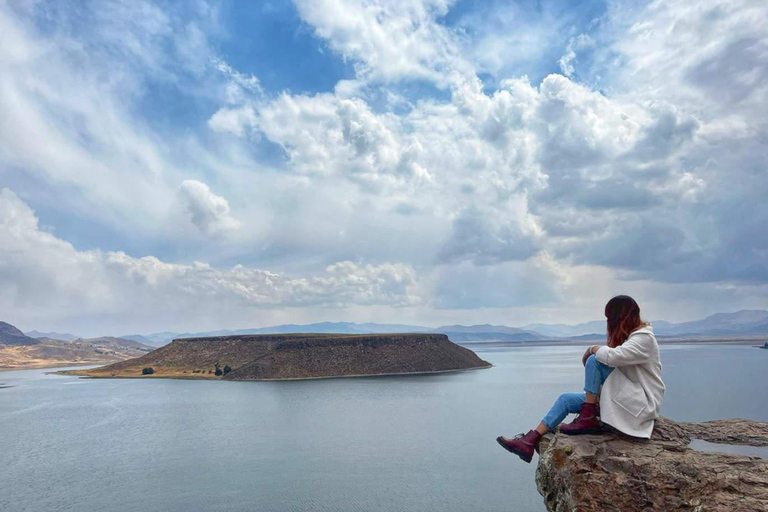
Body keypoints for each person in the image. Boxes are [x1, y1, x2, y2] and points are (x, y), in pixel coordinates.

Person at [496, 295, 665, 463]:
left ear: (619, 318)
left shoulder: (644, 338)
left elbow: (613, 357)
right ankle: (528, 441)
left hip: (639, 405)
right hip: (625, 399)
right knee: (566, 400)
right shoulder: (631, 339)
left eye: (609, 318)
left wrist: (592, 349)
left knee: (594, 359)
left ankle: (588, 418)